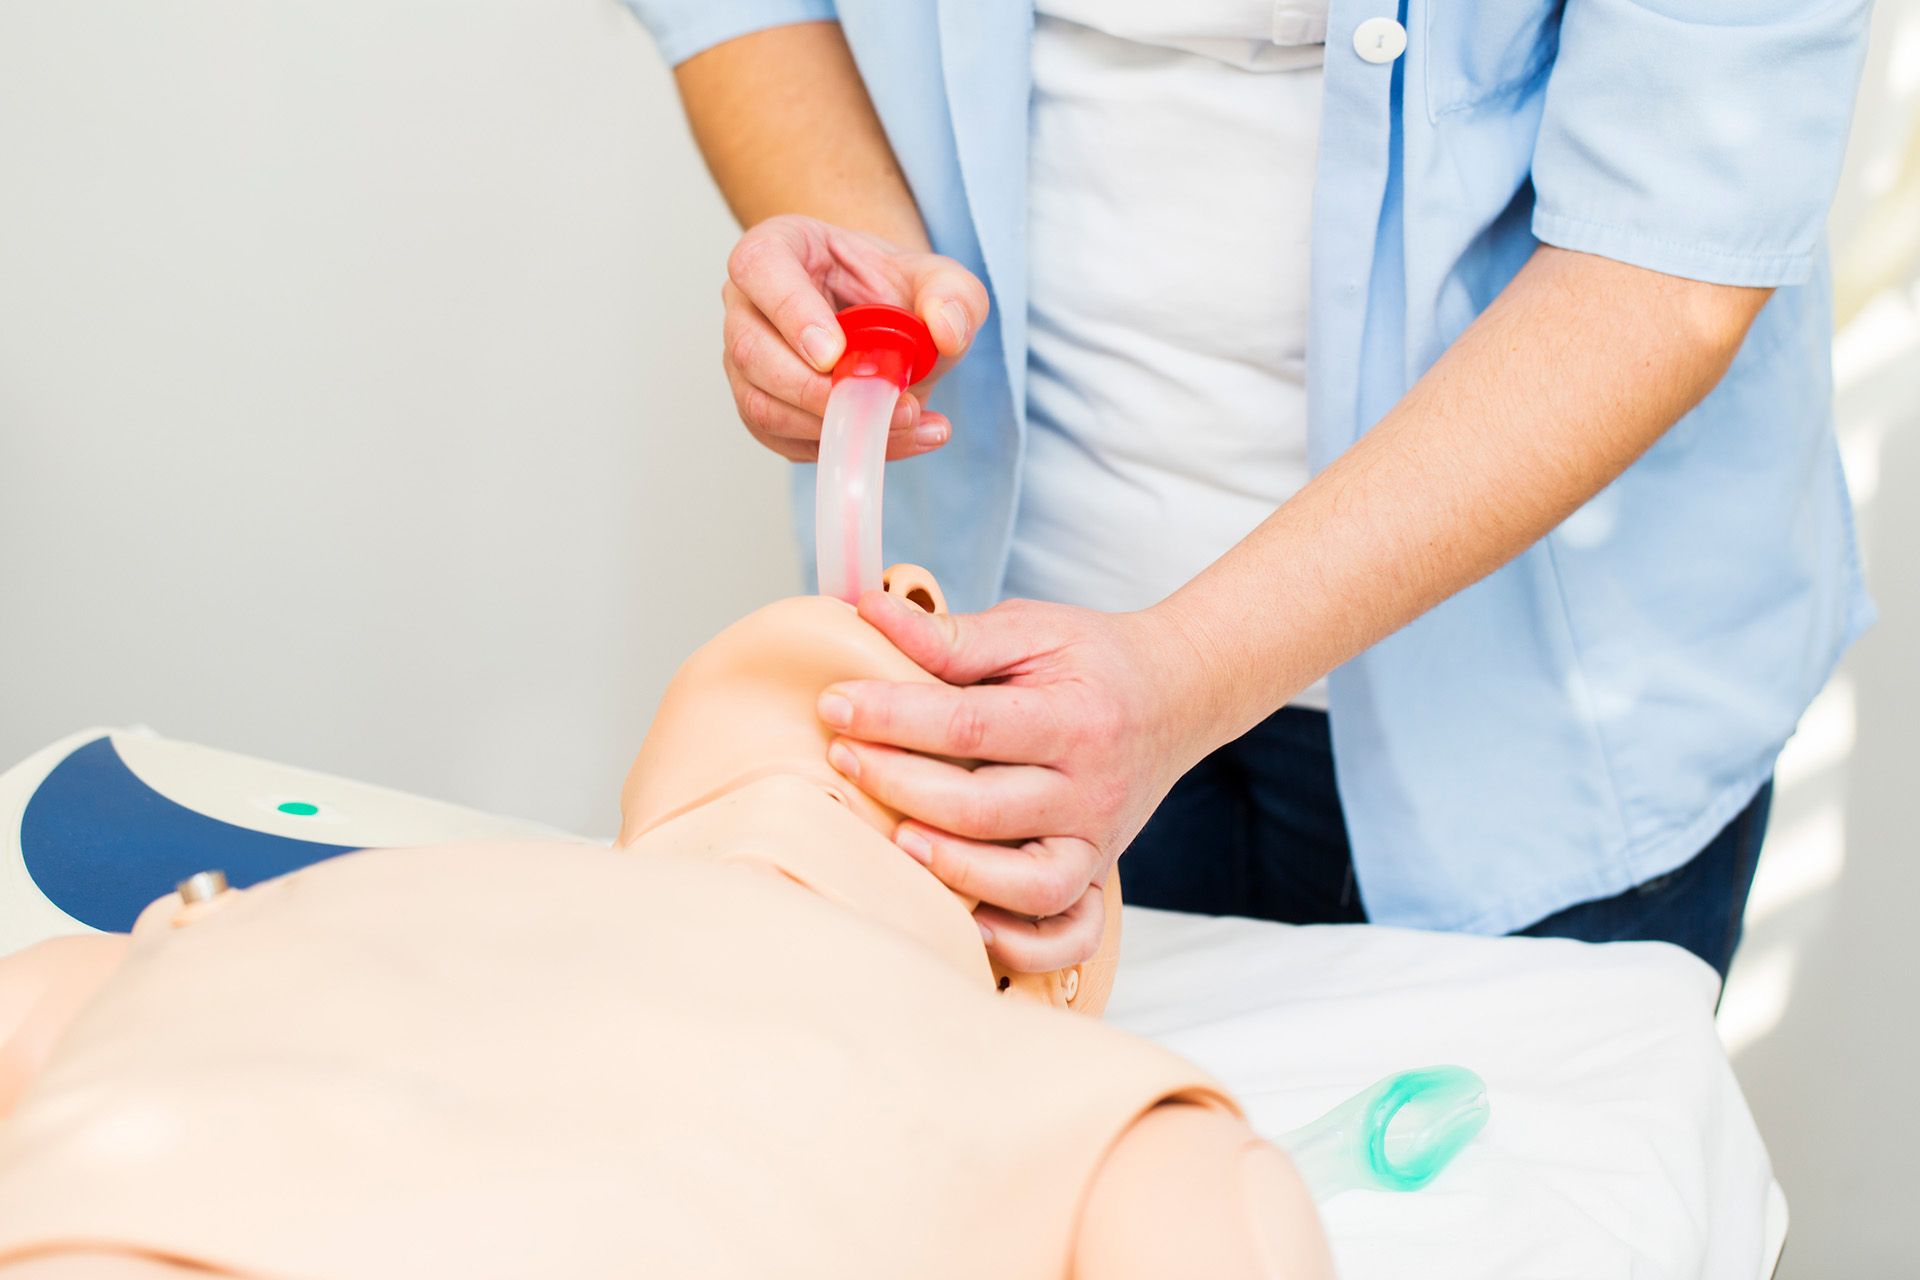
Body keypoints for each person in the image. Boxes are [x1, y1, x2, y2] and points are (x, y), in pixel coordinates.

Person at [622, 1, 1875, 981]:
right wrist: (868, 277)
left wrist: (1179, 678)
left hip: (1544, 709)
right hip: (1004, 671)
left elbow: (1673, 244)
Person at [0, 571, 1333, 1279]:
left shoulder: (303, 917)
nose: (901, 629)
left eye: (964, 747)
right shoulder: (1073, 1101)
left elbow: (40, 1010)